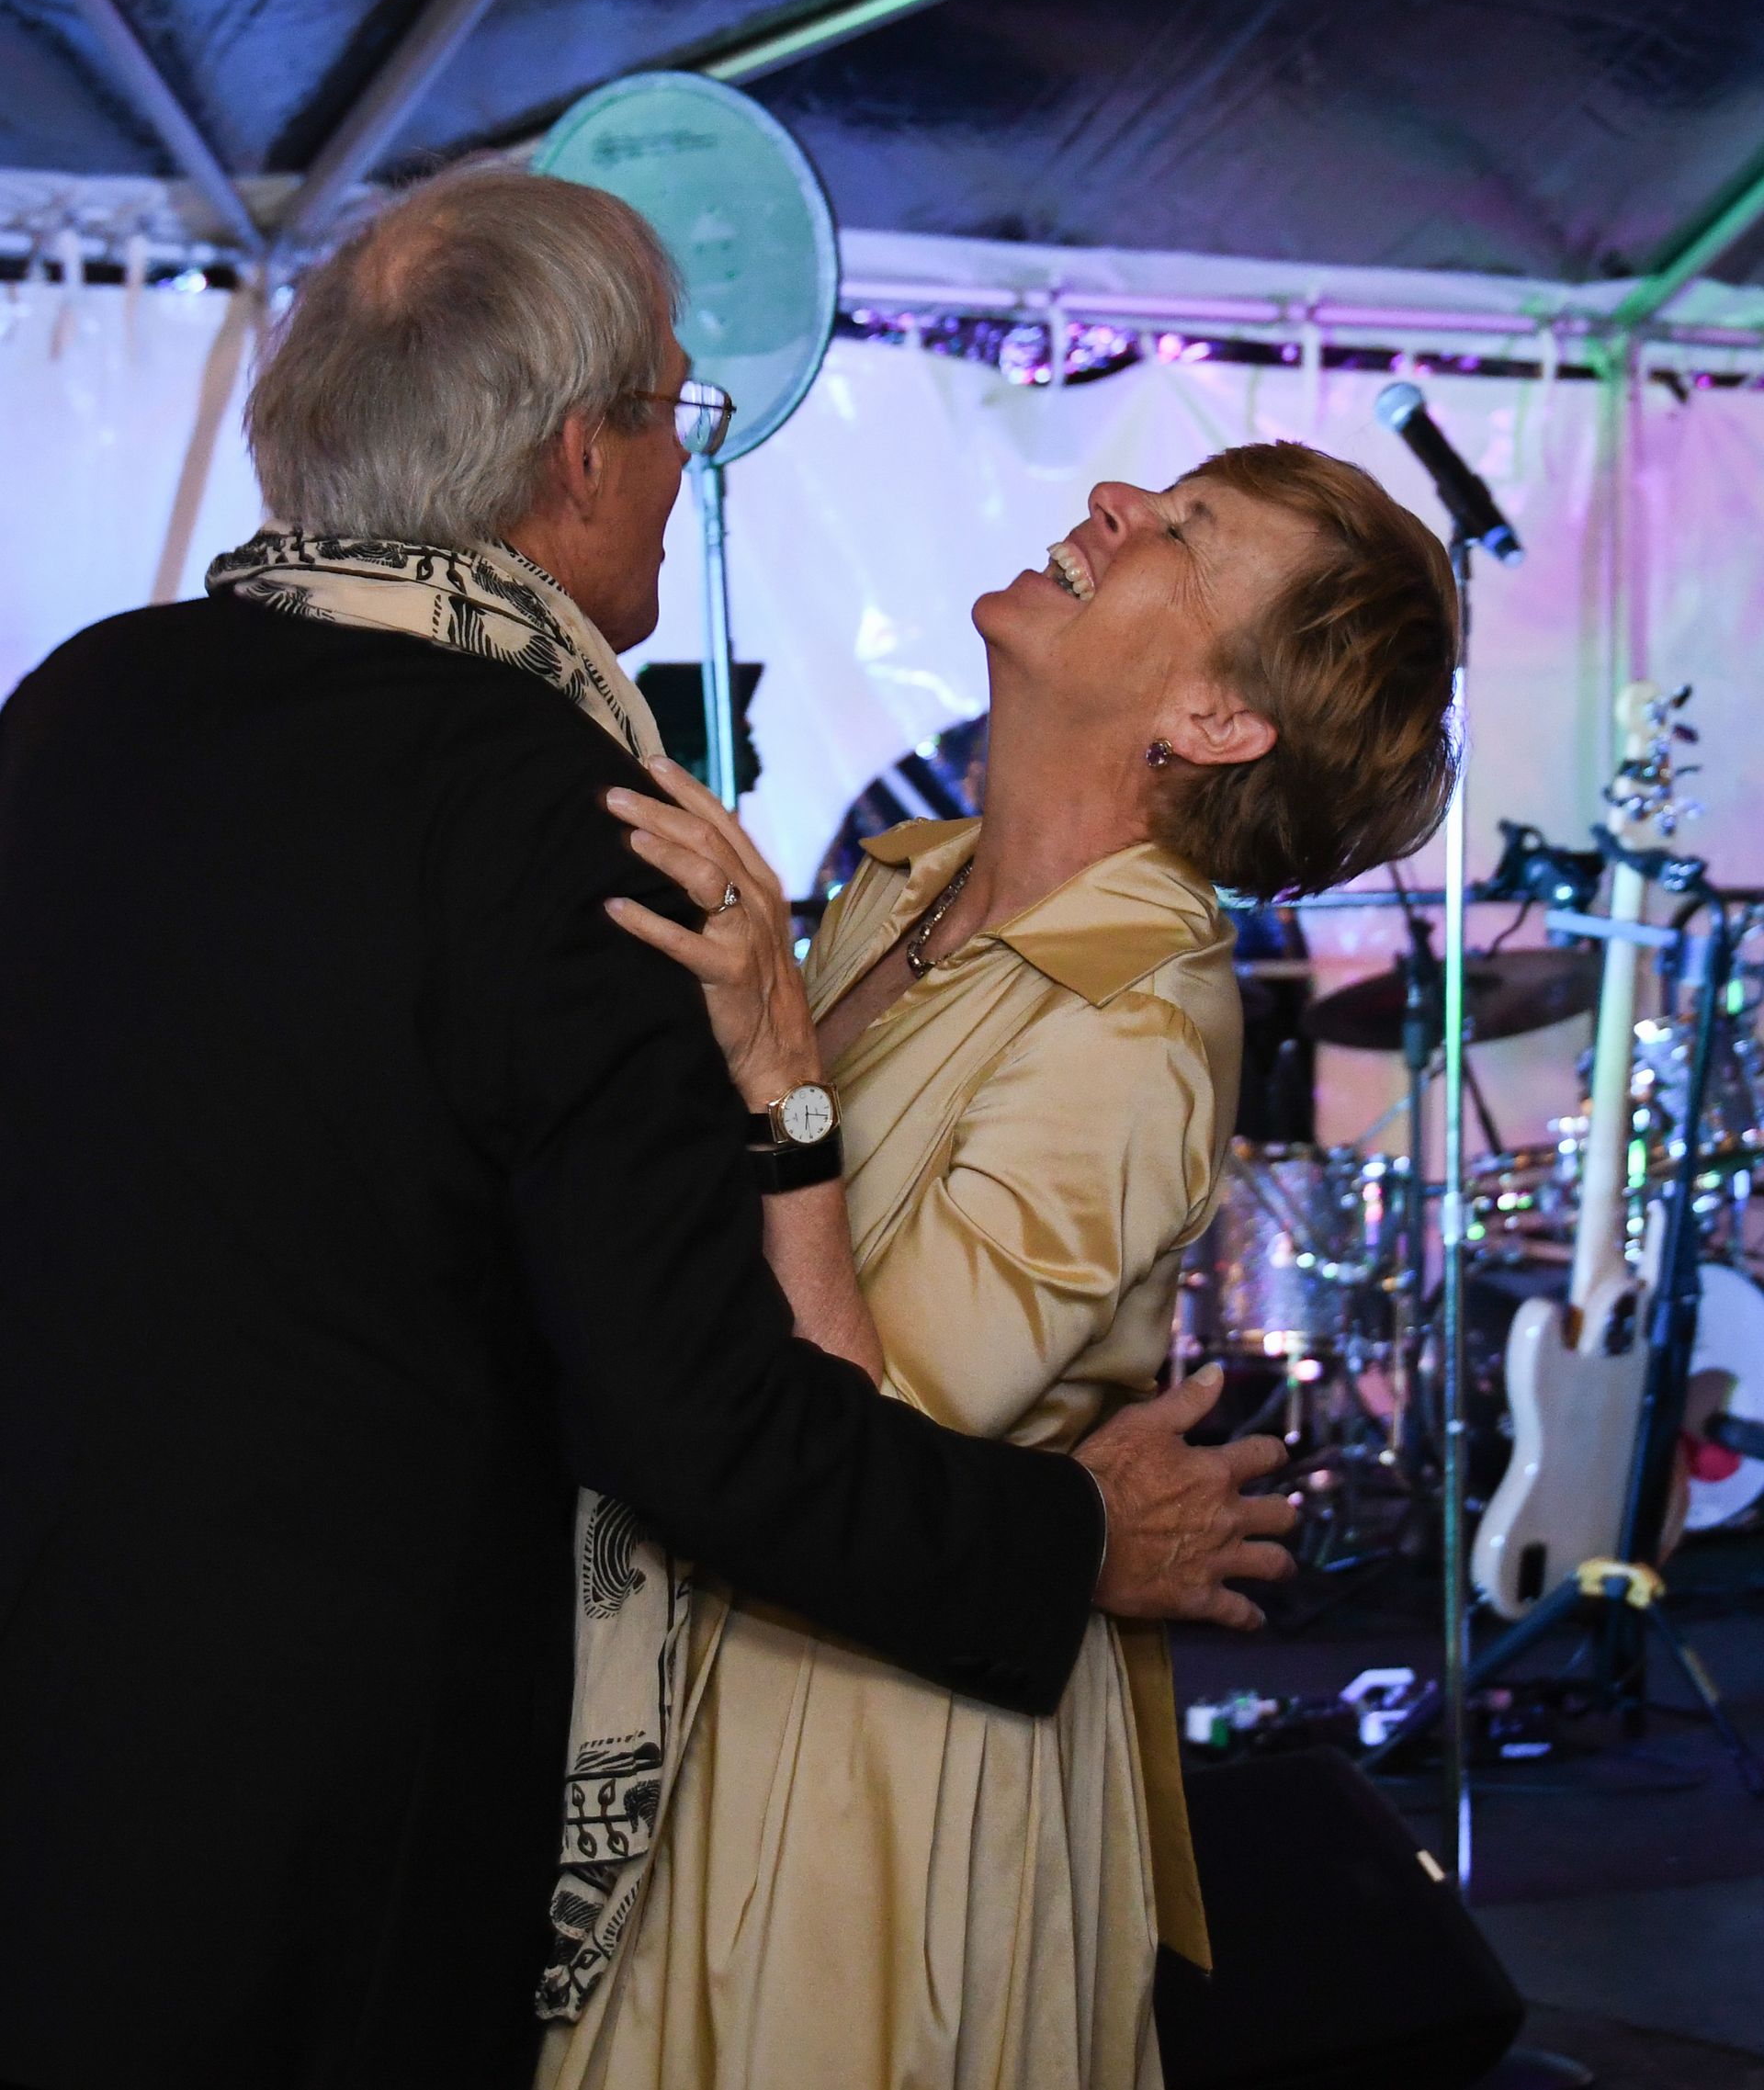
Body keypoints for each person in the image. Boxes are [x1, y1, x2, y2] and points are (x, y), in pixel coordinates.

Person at [0, 167, 1298, 2090]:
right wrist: (1075, 1540)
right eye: (678, 412)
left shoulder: (84, 703)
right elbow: (700, 1426)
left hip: (54, 1723)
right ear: (580, 455)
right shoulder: (567, 817)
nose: (689, 467)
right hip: (335, 1820)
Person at [540, 442, 1460, 2088]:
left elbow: (858, 1442)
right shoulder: (915, 880)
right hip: (714, 1663)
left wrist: (780, 1070)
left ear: (1218, 721)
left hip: (865, 1755)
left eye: (1183, 532)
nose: (1114, 501)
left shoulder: (1137, 1021)